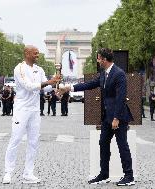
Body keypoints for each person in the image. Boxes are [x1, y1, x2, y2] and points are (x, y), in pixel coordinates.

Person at [59, 48, 134, 186]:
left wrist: (116, 117)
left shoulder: (119, 74)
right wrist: (69, 88)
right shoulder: (104, 73)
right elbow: (89, 84)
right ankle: (104, 174)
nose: (98, 61)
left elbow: (121, 97)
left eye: (98, 58)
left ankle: (129, 176)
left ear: (104, 59)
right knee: (103, 143)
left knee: (122, 145)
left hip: (118, 116)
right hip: (107, 117)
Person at [2, 45, 60, 184]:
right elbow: (28, 86)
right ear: (27, 53)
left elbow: (45, 88)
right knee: (15, 139)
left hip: (34, 110)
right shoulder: (19, 68)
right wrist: (48, 82)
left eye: (38, 53)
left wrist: (55, 83)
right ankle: (8, 172)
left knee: (33, 142)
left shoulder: (39, 69)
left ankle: (28, 173)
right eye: (35, 53)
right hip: (21, 109)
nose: (37, 56)